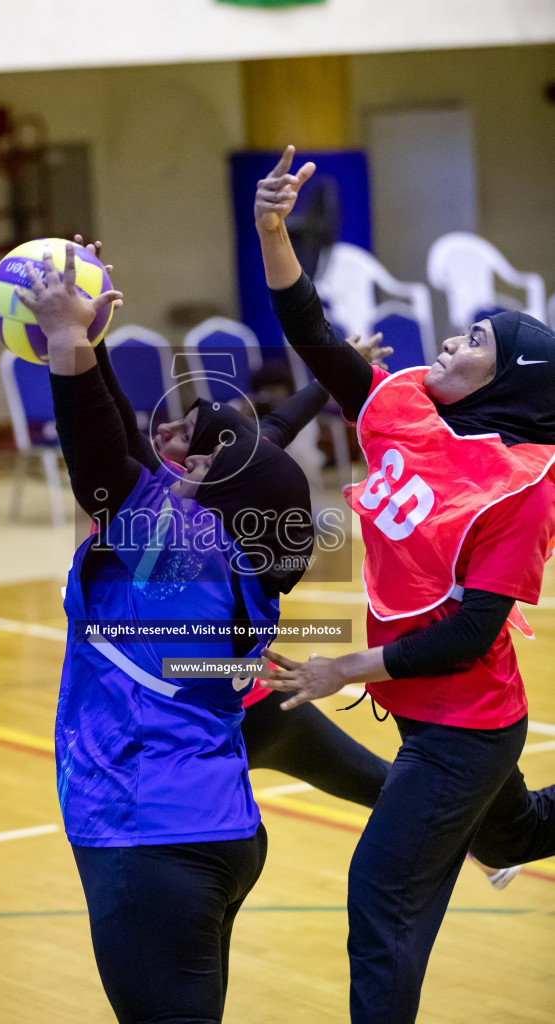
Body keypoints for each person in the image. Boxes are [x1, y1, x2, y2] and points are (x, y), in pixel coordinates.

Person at [253, 146, 555, 1024]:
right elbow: (310, 330)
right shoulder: (404, 414)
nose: (449, 344)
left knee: (380, 899)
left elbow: (466, 635)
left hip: (463, 729)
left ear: (507, 382)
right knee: (520, 834)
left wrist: (344, 669)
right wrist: (273, 229)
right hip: (439, 715)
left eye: (474, 343)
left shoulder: (520, 487)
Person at [14, 242, 319, 1024]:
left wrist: (66, 342)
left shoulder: (174, 555)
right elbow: (118, 450)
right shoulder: (235, 565)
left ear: (213, 493)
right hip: (213, 828)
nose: (170, 446)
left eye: (190, 444)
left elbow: (96, 463)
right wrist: (95, 340)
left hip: (147, 838)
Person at [72, 232, 392, 811]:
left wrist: (79, 342)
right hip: (233, 679)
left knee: (378, 784)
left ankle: (485, 834)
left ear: (214, 466)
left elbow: (109, 429)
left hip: (220, 703)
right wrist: (334, 376)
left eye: (186, 434)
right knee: (380, 785)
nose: (166, 432)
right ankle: (481, 835)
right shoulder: (210, 491)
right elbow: (277, 429)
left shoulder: (167, 502)